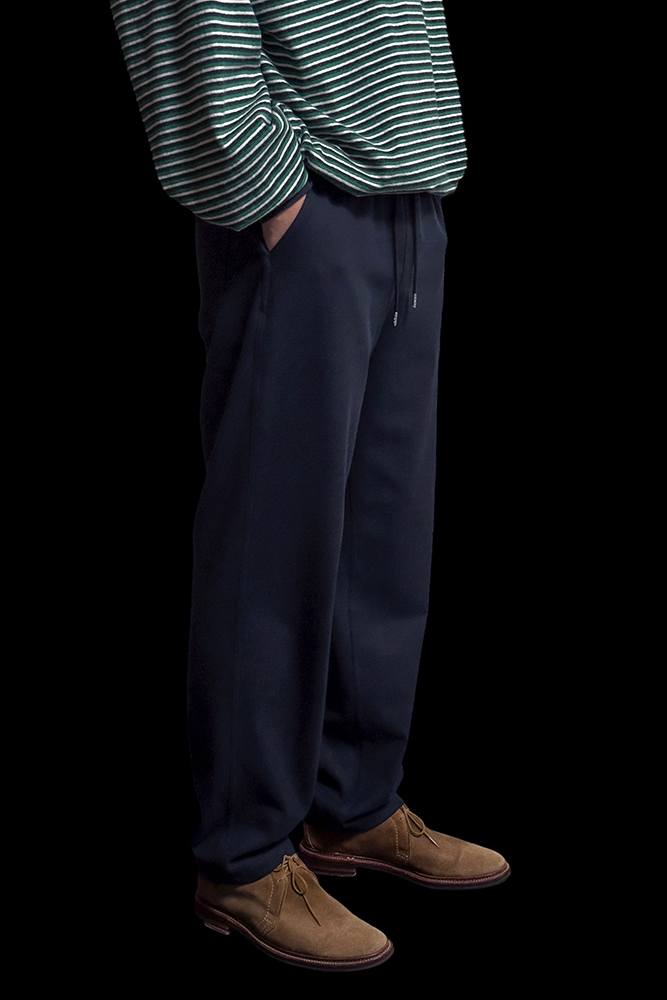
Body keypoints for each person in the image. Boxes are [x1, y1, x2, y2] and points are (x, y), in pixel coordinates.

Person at [110, 0, 510, 971]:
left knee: (384, 535)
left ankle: (352, 803)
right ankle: (244, 856)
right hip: (304, 204)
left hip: (406, 191)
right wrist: (271, 193)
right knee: (273, 542)